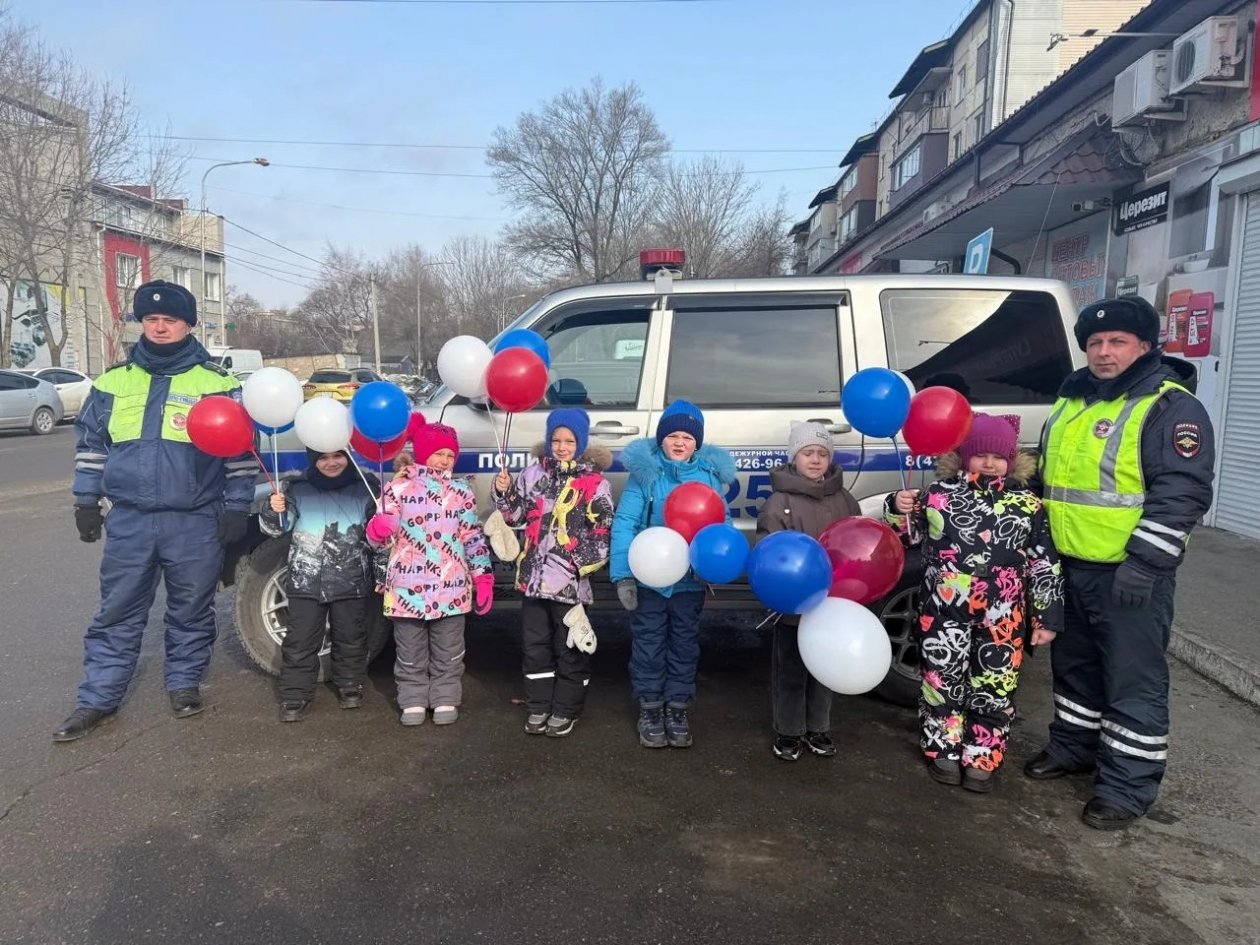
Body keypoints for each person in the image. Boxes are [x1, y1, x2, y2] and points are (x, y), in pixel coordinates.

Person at [1026, 296, 1215, 829]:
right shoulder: (1073, 400)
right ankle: (1072, 749)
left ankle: (1127, 787)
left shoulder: (1169, 406)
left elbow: (1181, 492)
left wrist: (1148, 564)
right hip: (1069, 565)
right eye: (1095, 343)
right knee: (1076, 669)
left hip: (1130, 573)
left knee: (1133, 680)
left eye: (1117, 343)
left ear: (1145, 347)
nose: (1104, 353)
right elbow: (1051, 484)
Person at [54, 280, 258, 743]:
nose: (160, 326)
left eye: (170, 320)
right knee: (118, 611)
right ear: (141, 324)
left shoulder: (217, 383)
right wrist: (86, 501)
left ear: (189, 324)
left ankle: (184, 683)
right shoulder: (112, 381)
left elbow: (241, 455)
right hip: (130, 519)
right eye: (151, 319)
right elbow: (90, 447)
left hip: (194, 519)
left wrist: (237, 509)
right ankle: (97, 699)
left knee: (191, 609)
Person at [886, 413, 1063, 793]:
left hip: (1003, 614)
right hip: (944, 613)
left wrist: (1046, 615)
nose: (988, 463)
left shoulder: (1028, 505)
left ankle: (982, 753)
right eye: (979, 454)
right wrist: (895, 507)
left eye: (997, 456)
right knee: (941, 681)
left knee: (995, 685)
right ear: (964, 456)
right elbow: (906, 537)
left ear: (1011, 461)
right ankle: (942, 749)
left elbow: (1044, 562)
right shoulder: (938, 495)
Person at [610, 400, 736, 749]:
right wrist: (622, 575)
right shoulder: (646, 476)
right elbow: (625, 524)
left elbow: (720, 524)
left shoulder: (709, 477)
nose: (679, 442)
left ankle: (677, 707)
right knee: (648, 644)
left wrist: (712, 565)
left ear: (697, 442)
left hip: (689, 582)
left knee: (684, 644)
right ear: (661, 439)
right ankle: (650, 707)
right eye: (672, 436)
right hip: (650, 580)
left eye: (687, 437)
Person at [492, 408, 615, 738]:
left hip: (569, 587)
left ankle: (566, 709)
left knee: (570, 649)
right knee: (535, 647)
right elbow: (515, 516)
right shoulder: (533, 475)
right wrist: (505, 492)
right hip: (532, 582)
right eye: (556, 440)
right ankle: (538, 706)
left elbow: (601, 531)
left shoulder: (595, 483)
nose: (561, 447)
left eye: (569, 441)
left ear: (581, 443)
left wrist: (577, 566)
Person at [367, 422, 493, 726]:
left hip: (450, 587)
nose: (444, 461)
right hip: (407, 586)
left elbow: (472, 537)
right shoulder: (399, 487)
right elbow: (377, 538)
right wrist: (378, 529)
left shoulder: (462, 492)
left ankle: (445, 696)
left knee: (449, 648)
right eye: (438, 453)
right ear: (423, 454)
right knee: (409, 648)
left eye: (450, 455)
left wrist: (483, 575)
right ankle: (412, 698)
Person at [757, 421, 861, 761]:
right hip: (792, 604)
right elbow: (768, 547)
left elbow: (856, 542)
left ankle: (819, 726)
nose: (815, 460)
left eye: (821, 453)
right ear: (794, 457)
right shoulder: (779, 500)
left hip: (832, 603)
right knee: (791, 669)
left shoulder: (844, 498)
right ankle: (789, 731)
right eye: (807, 453)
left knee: (825, 668)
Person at [261, 449, 378, 723]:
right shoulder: (298, 488)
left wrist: (384, 517)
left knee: (351, 636)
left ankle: (350, 685)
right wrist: (273, 510)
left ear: (348, 457)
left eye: (338, 455)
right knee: (300, 640)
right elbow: (278, 528)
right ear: (313, 461)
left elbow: (378, 533)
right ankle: (295, 695)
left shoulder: (366, 488)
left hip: (351, 579)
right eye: (322, 458)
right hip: (306, 580)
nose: (331, 463)